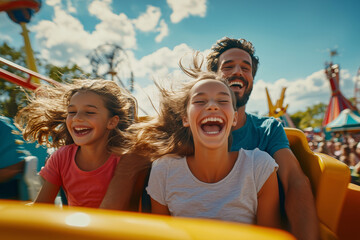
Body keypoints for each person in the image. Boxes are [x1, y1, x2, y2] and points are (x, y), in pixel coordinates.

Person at [135, 70, 281, 228]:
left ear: (234, 118)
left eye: (223, 100)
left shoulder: (259, 167)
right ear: (185, 118)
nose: (212, 106)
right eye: (200, 101)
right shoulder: (163, 170)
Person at [206, 37, 319, 239]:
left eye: (245, 67)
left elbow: (295, 180)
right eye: (228, 66)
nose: (238, 72)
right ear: (212, 76)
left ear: (252, 79)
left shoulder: (269, 128)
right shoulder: (189, 128)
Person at [15, 79, 148, 208]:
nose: (77, 118)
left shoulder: (126, 158)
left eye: (89, 112)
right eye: (72, 112)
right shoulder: (61, 157)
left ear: (112, 122)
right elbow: (41, 207)